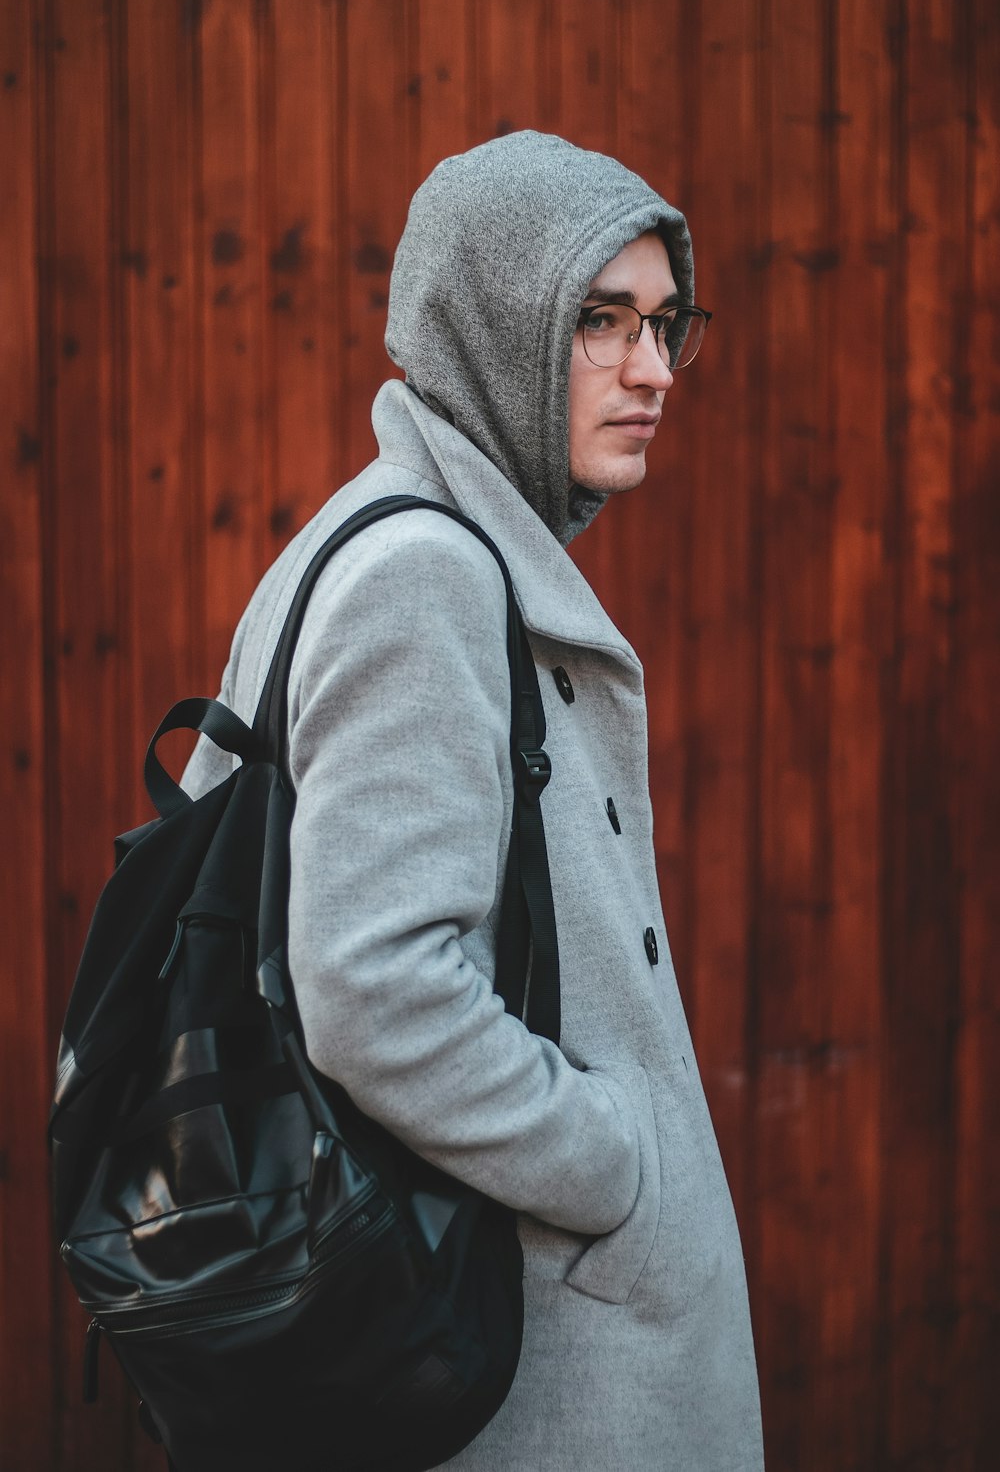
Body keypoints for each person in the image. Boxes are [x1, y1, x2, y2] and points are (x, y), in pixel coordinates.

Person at [182, 130, 764, 1470]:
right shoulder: (428, 575)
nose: (655, 370)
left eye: (669, 324)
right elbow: (378, 985)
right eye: (602, 322)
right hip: (526, 1375)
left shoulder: (386, 534)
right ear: (495, 324)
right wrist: (614, 1167)